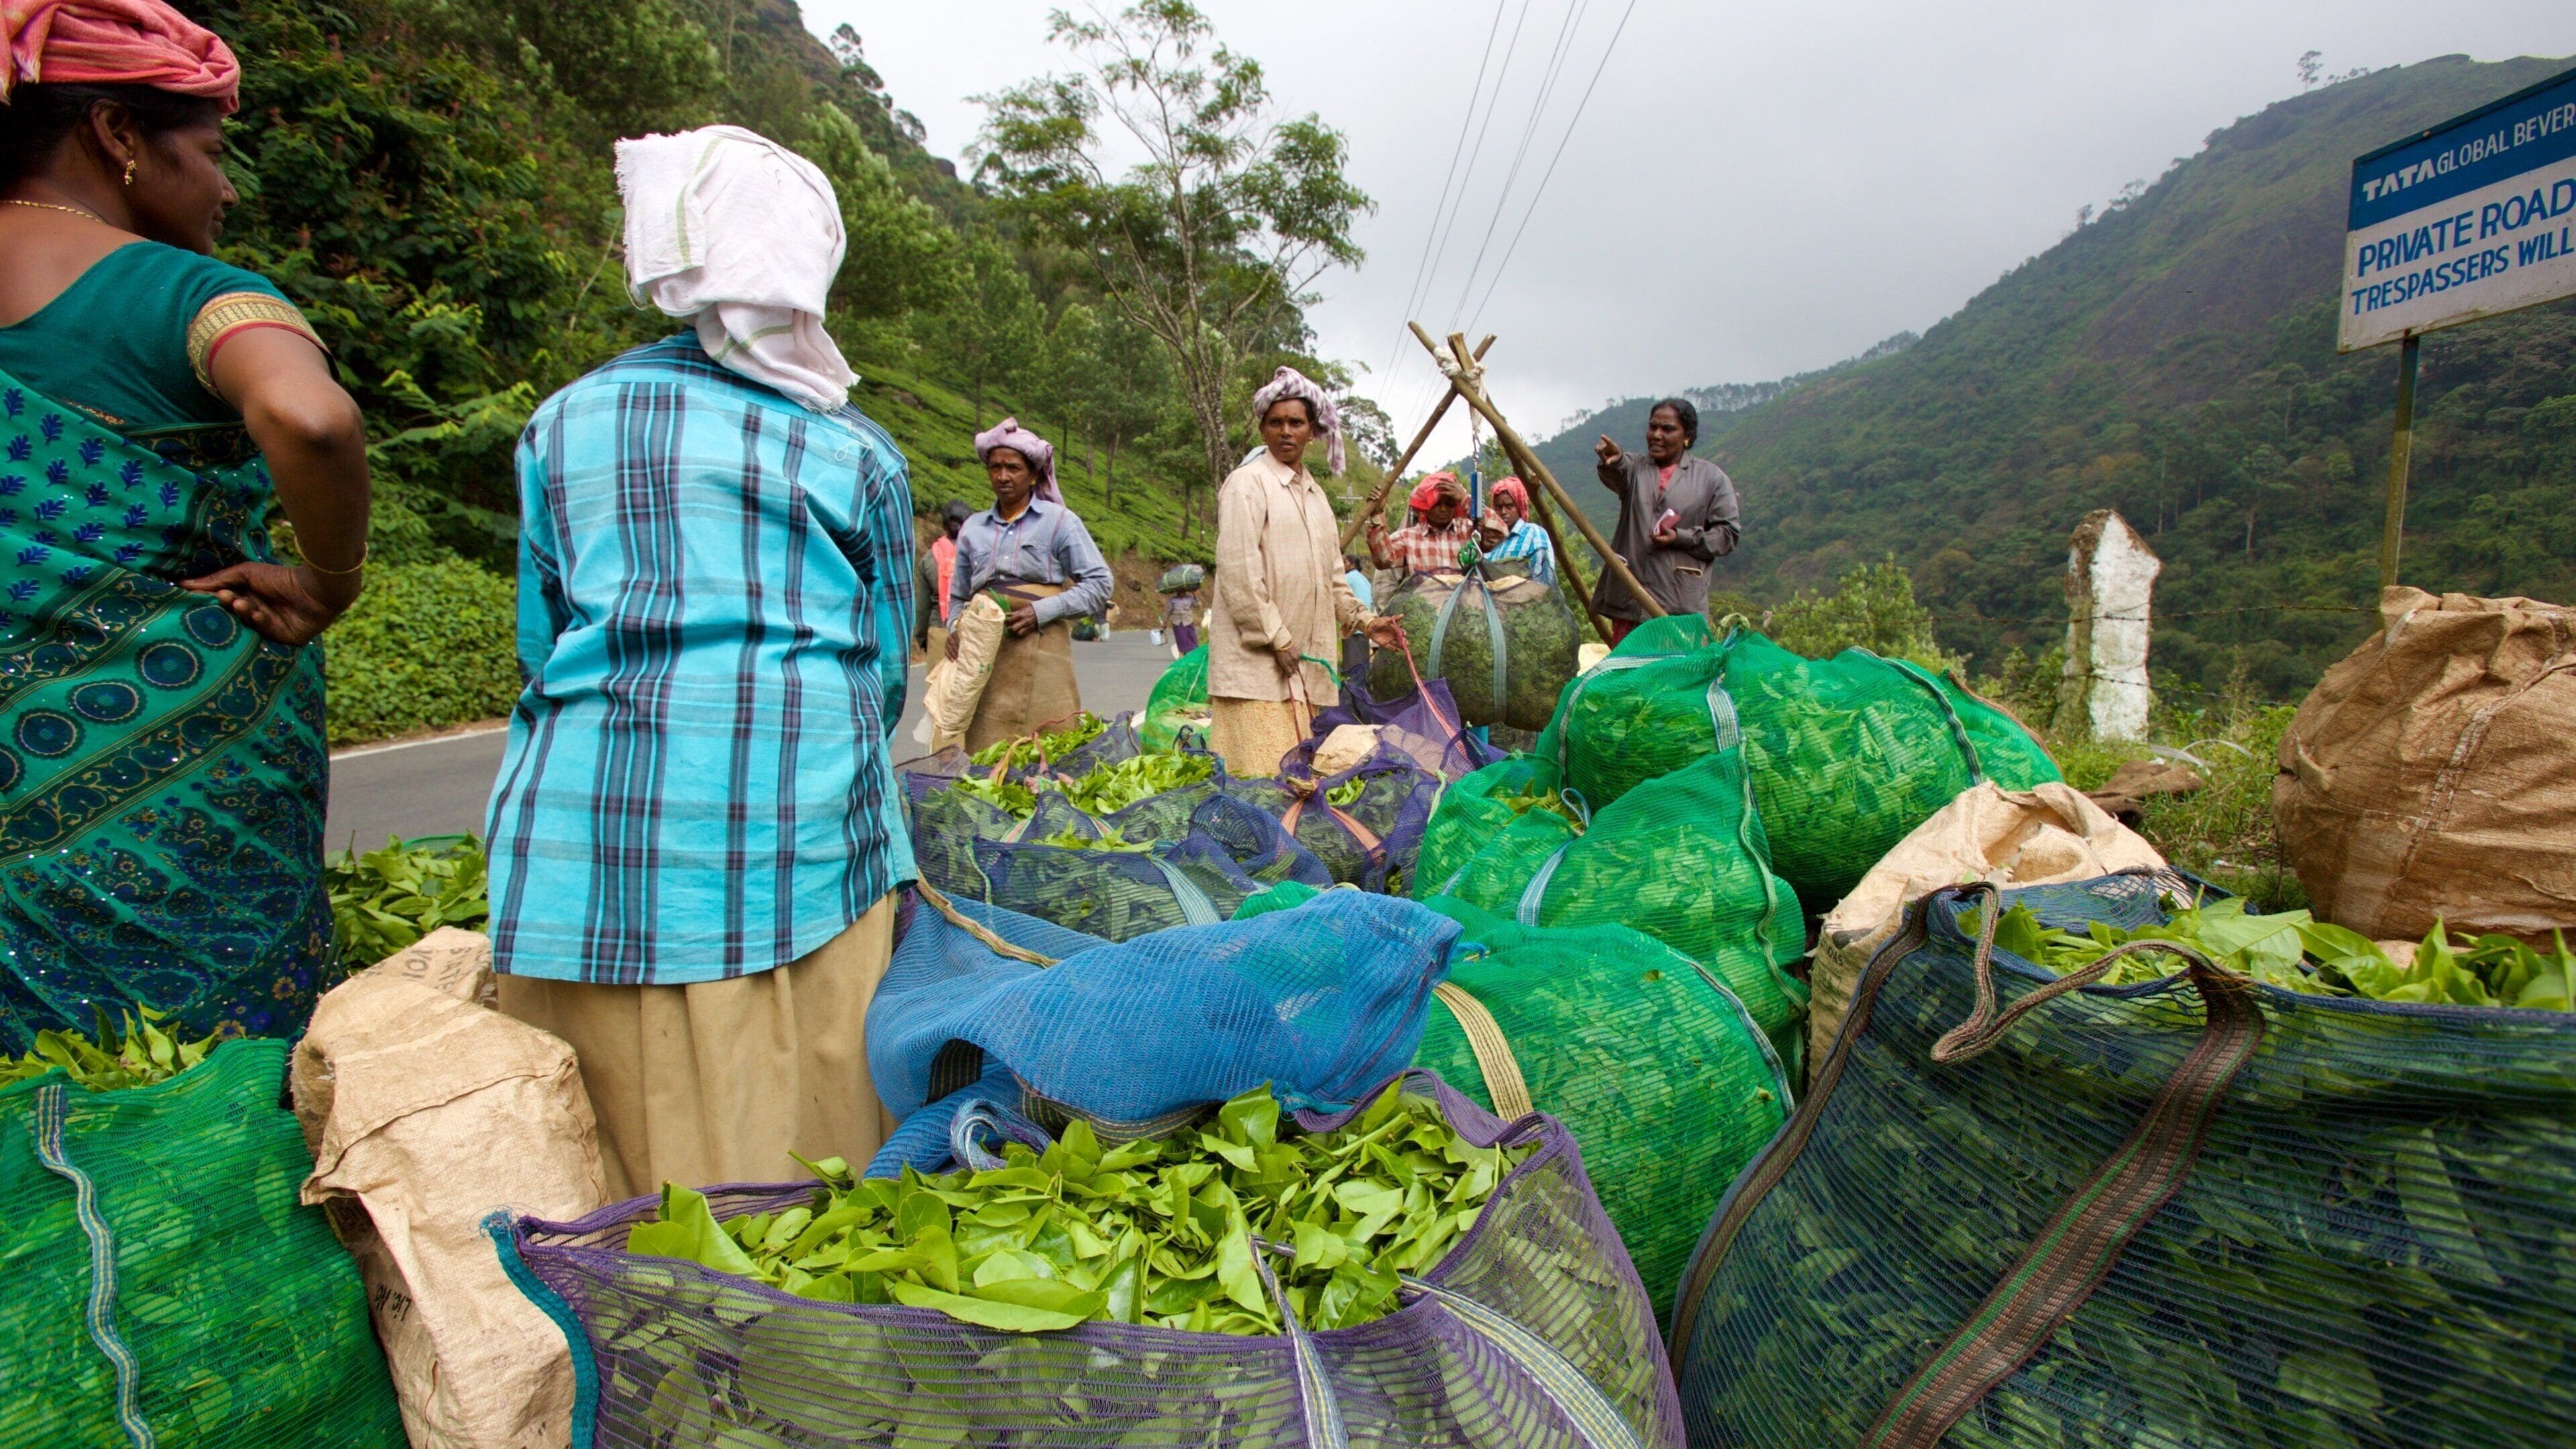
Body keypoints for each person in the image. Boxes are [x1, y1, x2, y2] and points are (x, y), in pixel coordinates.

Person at [484, 125, 914, 1201]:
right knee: (796, 1175)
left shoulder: (561, 422)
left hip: (577, 855)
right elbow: (886, 670)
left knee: (601, 1163)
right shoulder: (854, 449)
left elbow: (542, 645)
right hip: (794, 848)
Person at [0, 1, 372, 1049]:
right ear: (118, 136)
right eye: (209, 152)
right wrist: (328, 576)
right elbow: (311, 417)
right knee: (204, 1073)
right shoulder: (185, 294)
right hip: (186, 808)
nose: (225, 185)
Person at [1209, 366, 1403, 775]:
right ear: (1262, 429)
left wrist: (1367, 623)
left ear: (1312, 431)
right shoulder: (1248, 484)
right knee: (1260, 779)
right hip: (1255, 672)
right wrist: (1277, 638)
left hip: (1302, 669)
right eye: (1275, 422)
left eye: (1296, 423)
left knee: (1291, 780)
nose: (1286, 431)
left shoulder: (1316, 499)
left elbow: (1334, 578)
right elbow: (1238, 573)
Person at [945, 416, 1113, 751]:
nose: (1003, 476)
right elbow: (959, 594)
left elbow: (1100, 584)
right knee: (987, 750)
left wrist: (1042, 611)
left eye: (1013, 468)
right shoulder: (973, 529)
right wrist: (955, 628)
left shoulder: (1059, 522)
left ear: (1034, 474)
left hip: (1044, 646)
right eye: (995, 468)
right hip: (986, 655)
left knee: (1050, 744)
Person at [1592, 397, 1739, 643]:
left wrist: (1680, 538)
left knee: (1674, 676)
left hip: (1678, 605)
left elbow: (1727, 536)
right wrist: (1613, 461)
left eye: (1668, 429)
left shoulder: (1711, 478)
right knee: (1628, 675)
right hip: (1632, 599)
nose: (1657, 435)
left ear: (1687, 436)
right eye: (1653, 427)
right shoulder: (1636, 468)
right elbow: (1617, 472)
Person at [1366, 471, 1472, 577]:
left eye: (1449, 504)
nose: (1443, 509)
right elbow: (1384, 560)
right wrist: (1377, 514)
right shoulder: (1408, 538)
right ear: (1425, 507)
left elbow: (1489, 529)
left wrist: (1466, 499)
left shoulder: (1468, 530)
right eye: (1437, 504)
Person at [914, 498, 968, 661]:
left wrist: (922, 637)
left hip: (939, 630)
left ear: (944, 524)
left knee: (938, 684)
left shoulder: (929, 558)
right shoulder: (978, 553)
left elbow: (923, 606)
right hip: (971, 631)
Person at [1476, 476, 1556, 585]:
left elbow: (1543, 579)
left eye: (1509, 506)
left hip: (1526, 600)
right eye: (1499, 507)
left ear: (1519, 507)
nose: (1503, 512)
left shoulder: (1533, 532)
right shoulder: (1491, 540)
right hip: (1493, 601)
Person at [1164, 579, 1200, 657]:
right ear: (1176, 592)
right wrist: (1165, 622)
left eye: (1182, 591)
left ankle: (1196, 653)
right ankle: (1182, 653)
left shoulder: (1190, 599)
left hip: (1188, 621)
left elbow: (1198, 605)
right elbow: (1168, 612)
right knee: (1180, 638)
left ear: (1185, 591)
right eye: (1179, 591)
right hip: (1177, 622)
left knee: (1192, 637)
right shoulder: (1173, 600)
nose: (1180, 592)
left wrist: (1195, 595)